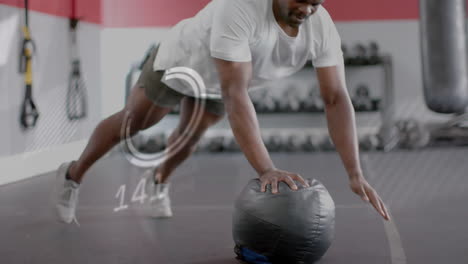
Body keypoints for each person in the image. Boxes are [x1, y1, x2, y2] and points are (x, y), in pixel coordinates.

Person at [55, 0, 390, 224]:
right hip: (183, 61)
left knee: (189, 139)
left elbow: (335, 97)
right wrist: (267, 169)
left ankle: (157, 181)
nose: (306, 9)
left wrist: (354, 172)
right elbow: (235, 92)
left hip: (222, 80)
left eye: (315, 3)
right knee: (135, 124)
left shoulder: (321, 26)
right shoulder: (240, 7)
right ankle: (73, 174)